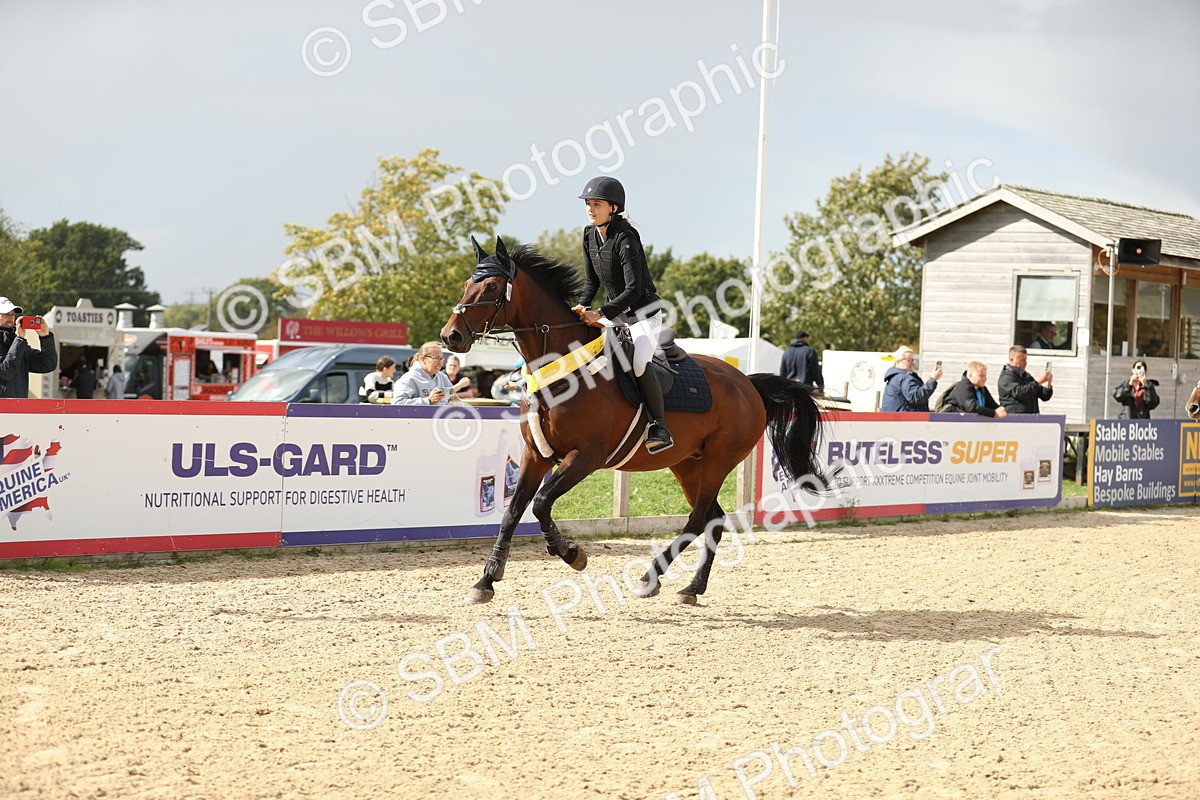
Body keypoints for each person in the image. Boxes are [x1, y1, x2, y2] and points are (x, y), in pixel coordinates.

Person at [573, 176, 673, 453]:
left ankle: (660, 426)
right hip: (614, 314)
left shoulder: (625, 237)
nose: (590, 209)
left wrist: (601, 312)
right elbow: (592, 281)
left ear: (614, 208)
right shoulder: (588, 234)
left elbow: (633, 289)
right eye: (589, 204)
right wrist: (582, 306)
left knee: (639, 363)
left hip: (643, 314)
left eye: (597, 204)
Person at [0, 298, 57, 398]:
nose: (11, 318)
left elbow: (47, 364)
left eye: (12, 314)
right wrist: (19, 340)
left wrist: (45, 337)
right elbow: (6, 372)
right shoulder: (18, 342)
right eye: (6, 314)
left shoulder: (17, 343)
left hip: (19, 409)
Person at [392, 342, 457, 406]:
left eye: (441, 358)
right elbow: (397, 404)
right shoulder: (408, 379)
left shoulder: (443, 377)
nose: (440, 363)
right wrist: (428, 401)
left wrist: (456, 402)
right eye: (436, 358)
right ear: (423, 359)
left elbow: (455, 400)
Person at [881, 346, 942, 412]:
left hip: (894, 419)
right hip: (905, 420)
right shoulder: (904, 378)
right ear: (898, 361)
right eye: (909, 360)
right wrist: (933, 379)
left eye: (913, 359)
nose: (914, 362)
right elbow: (916, 397)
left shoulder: (894, 377)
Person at [938, 361, 1008, 418]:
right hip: (950, 421)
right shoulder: (964, 386)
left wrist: (1000, 410)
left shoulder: (982, 389)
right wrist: (993, 413)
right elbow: (971, 407)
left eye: (985, 376)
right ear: (970, 375)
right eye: (981, 376)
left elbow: (992, 404)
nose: (985, 379)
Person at [998, 344, 1053, 414]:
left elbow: (1044, 396)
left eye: (1025, 360)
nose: (1025, 363)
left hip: (1032, 420)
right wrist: (1039, 381)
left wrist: (1048, 385)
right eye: (1022, 360)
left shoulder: (1026, 376)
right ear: (1011, 359)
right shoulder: (1006, 377)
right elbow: (1020, 392)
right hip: (1015, 421)